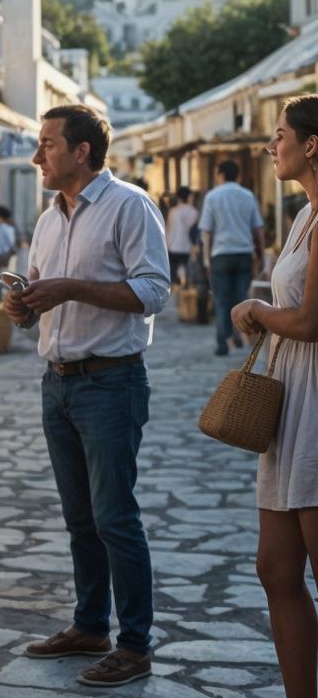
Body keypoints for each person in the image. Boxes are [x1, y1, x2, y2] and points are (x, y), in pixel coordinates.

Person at [3, 105, 170, 688]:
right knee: (80, 519)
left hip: (111, 382)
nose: (37, 156)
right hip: (59, 382)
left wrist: (70, 287)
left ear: (82, 151)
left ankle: (136, 644)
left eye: (47, 144)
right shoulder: (49, 219)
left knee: (115, 517)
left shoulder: (130, 206)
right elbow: (41, 299)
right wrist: (23, 307)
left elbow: (152, 292)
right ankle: (90, 624)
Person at [230, 96, 318, 698]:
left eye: (280, 134)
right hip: (292, 393)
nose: (270, 145)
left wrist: (258, 308)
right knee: (275, 568)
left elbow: (311, 321)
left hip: (316, 396)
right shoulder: (303, 215)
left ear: (311, 144)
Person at [200, 160, 266, 355]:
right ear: (237, 175)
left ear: (220, 174)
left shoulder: (212, 197)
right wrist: (260, 255)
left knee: (221, 301)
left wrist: (207, 259)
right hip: (244, 254)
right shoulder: (247, 196)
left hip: (220, 255)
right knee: (241, 299)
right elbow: (258, 229)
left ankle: (223, 344)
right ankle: (241, 339)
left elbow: (207, 232)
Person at [165, 186, 198, 285]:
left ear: (178, 197)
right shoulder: (194, 212)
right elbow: (194, 232)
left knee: (174, 277)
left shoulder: (173, 211)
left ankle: (176, 297)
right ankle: (187, 294)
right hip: (187, 248)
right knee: (188, 276)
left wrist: (166, 245)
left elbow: (169, 230)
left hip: (173, 247)